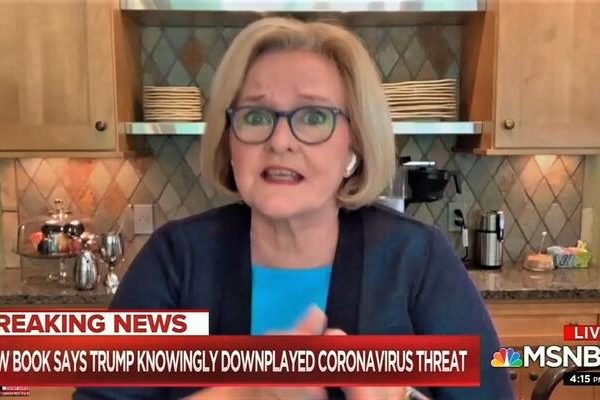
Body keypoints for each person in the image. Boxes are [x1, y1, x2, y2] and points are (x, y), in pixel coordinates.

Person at [75, 17, 513, 400]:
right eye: (255, 116)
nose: (280, 141)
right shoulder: (175, 261)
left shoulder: (417, 260)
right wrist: (248, 393)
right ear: (230, 143)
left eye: (314, 117)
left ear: (354, 144)